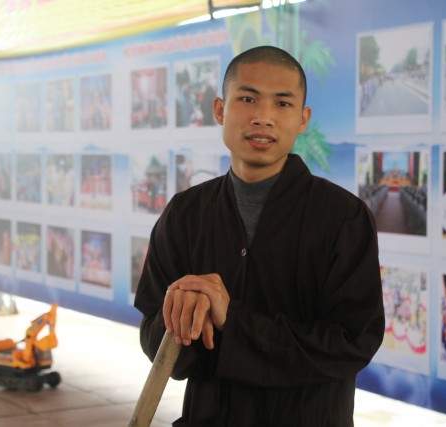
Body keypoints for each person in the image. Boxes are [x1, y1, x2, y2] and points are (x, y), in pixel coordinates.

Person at [134, 46, 385, 426]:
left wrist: (232, 320)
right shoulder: (186, 213)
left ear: (303, 119)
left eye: (282, 104)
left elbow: (352, 344)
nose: (263, 117)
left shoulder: (342, 218)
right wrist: (181, 318)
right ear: (220, 110)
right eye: (248, 99)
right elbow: (155, 339)